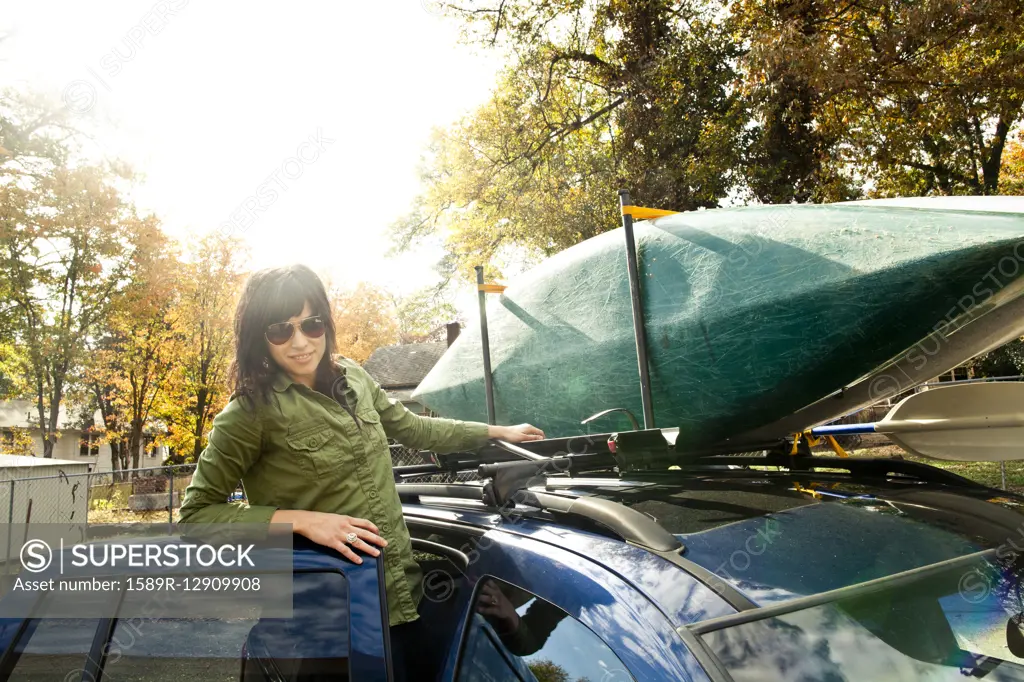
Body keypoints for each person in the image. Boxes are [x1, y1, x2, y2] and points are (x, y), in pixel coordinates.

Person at [177, 264, 545, 681]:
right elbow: (196, 517)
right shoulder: (249, 412)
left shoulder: (352, 376)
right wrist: (303, 522)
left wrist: (496, 431)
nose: (300, 342)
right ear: (258, 336)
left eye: (311, 324)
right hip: (330, 624)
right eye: (281, 330)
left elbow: (415, 428)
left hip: (403, 596)